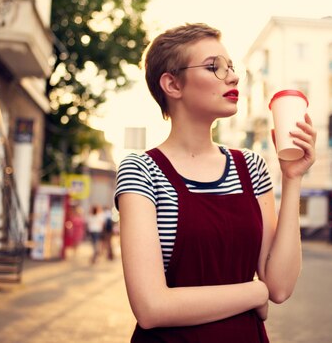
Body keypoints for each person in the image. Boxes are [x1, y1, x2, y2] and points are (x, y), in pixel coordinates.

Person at [114, 23, 316, 342]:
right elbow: (151, 308)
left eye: (231, 67)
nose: (233, 77)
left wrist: (292, 178)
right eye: (214, 67)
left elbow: (278, 287)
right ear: (172, 84)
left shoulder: (251, 167)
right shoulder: (142, 171)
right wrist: (252, 292)